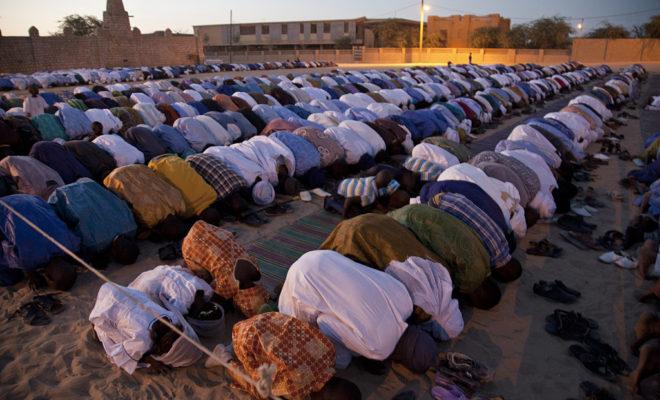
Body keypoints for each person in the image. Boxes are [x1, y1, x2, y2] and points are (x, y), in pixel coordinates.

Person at [278, 250, 437, 374]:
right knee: (342, 359)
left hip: (325, 258)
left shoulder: (406, 303)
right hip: (304, 279)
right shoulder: (380, 350)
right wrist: (357, 354)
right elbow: (324, 322)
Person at [219, 312, 360, 400]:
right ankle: (225, 358)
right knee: (263, 391)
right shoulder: (296, 390)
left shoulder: (330, 353)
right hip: (244, 339)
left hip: (267, 319)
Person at [89, 283, 201, 374]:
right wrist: (150, 361)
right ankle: (95, 326)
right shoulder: (143, 341)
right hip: (108, 307)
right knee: (113, 339)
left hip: (119, 291)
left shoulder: (173, 319)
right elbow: (120, 356)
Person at [182, 221, 267, 317]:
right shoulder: (228, 283)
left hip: (202, 227)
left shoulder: (255, 270)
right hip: (189, 246)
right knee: (204, 277)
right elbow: (217, 300)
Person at [0, 194, 80, 288]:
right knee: (8, 278)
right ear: (48, 277)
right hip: (9, 207)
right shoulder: (29, 259)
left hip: (28, 198)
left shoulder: (71, 243)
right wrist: (33, 277)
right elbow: (21, 261)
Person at [333, 169, 407, 218]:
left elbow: (374, 197)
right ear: (384, 185)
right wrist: (344, 216)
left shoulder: (372, 179)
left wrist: (381, 207)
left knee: (368, 203)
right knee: (358, 213)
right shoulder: (369, 194)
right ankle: (331, 202)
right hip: (339, 191)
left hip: (346, 182)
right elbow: (348, 200)